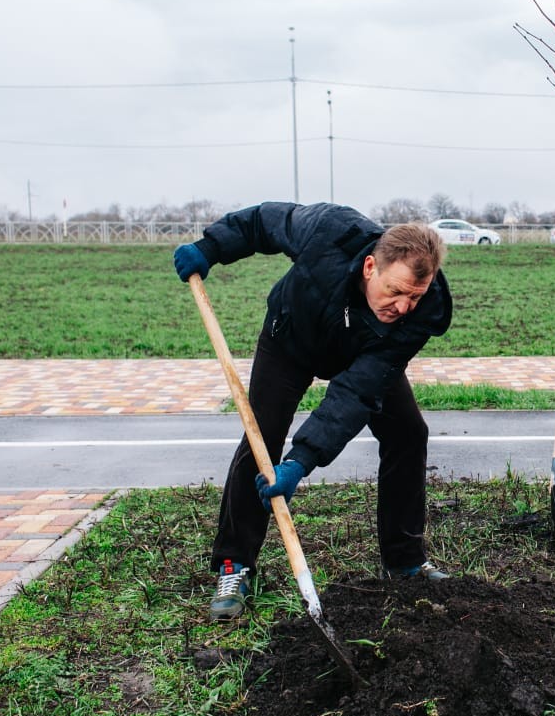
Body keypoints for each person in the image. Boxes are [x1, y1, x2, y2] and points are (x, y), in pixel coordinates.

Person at [173, 201, 453, 620]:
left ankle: (405, 561)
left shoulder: (424, 311)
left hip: (365, 354)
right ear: (370, 266)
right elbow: (264, 223)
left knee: (408, 433)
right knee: (261, 436)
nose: (402, 307)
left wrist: (303, 459)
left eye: (414, 296)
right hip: (291, 339)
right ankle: (235, 564)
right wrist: (212, 247)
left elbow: (357, 391)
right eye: (395, 292)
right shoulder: (330, 231)